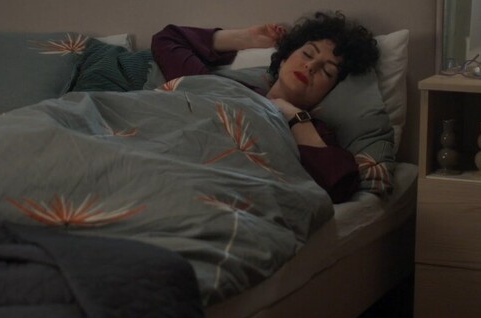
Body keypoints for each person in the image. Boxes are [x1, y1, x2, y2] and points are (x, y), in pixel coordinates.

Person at [151, 11, 380, 203]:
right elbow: (168, 39)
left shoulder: (313, 131)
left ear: (331, 91)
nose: (311, 66)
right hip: (161, 158)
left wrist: (295, 117)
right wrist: (245, 38)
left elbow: (339, 187)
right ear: (283, 58)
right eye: (308, 53)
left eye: (327, 71)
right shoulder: (224, 87)